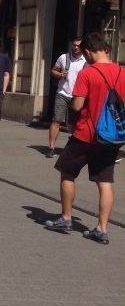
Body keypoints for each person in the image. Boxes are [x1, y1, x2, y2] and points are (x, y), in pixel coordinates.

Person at [45, 32, 124, 244]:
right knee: (105, 182)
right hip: (111, 137)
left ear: (88, 51)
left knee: (67, 172)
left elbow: (78, 105)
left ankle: (66, 217)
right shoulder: (122, 72)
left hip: (86, 133)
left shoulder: (88, 73)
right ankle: (102, 228)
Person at [47, 38, 85, 158]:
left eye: (78, 46)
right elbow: (53, 70)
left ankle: (73, 149)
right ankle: (51, 148)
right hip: (62, 93)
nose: (75, 47)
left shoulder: (86, 60)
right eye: (74, 45)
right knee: (56, 120)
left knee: (73, 124)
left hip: (77, 96)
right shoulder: (64, 57)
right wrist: (59, 74)